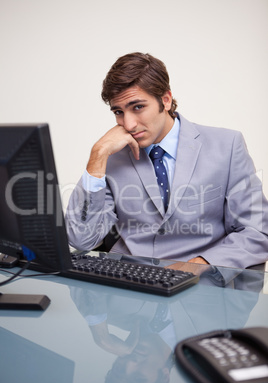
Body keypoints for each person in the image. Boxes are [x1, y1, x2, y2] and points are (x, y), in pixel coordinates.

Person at [66, 52, 268, 269]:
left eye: (138, 107)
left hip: (202, 288)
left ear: (166, 100)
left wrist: (200, 264)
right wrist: (97, 156)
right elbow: (81, 239)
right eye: (118, 112)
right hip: (129, 283)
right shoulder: (111, 156)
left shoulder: (227, 146)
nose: (129, 124)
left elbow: (257, 231)